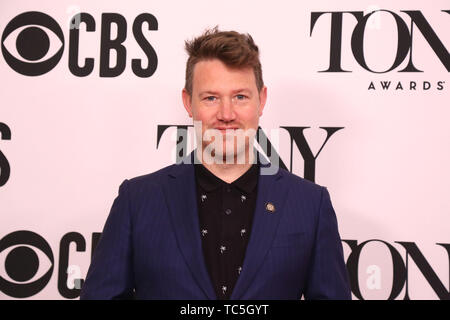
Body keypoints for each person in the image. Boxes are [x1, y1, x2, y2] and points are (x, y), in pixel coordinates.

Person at [80, 27, 351, 300]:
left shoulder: (310, 204)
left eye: (240, 97)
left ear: (262, 100)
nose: (226, 114)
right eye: (211, 98)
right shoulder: (137, 200)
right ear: (188, 102)